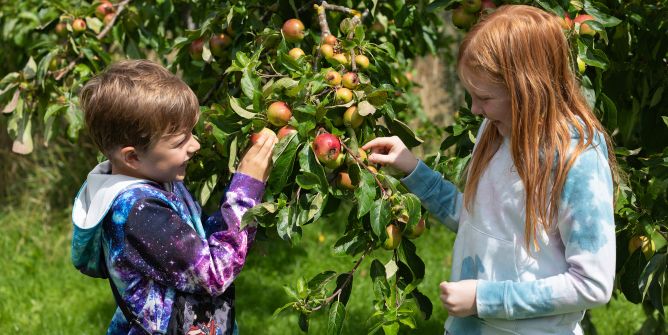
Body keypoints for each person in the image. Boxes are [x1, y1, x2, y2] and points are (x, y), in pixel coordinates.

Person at [362, 5, 618, 335]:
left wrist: (485, 299)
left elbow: (592, 284)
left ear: (527, 89)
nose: (474, 109)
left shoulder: (576, 158)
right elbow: (475, 218)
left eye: (483, 97)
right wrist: (412, 169)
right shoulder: (496, 130)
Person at [70, 59, 277, 335]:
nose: (196, 145)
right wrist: (246, 189)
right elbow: (214, 274)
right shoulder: (140, 211)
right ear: (132, 156)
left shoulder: (155, 181)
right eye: (180, 141)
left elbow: (201, 241)